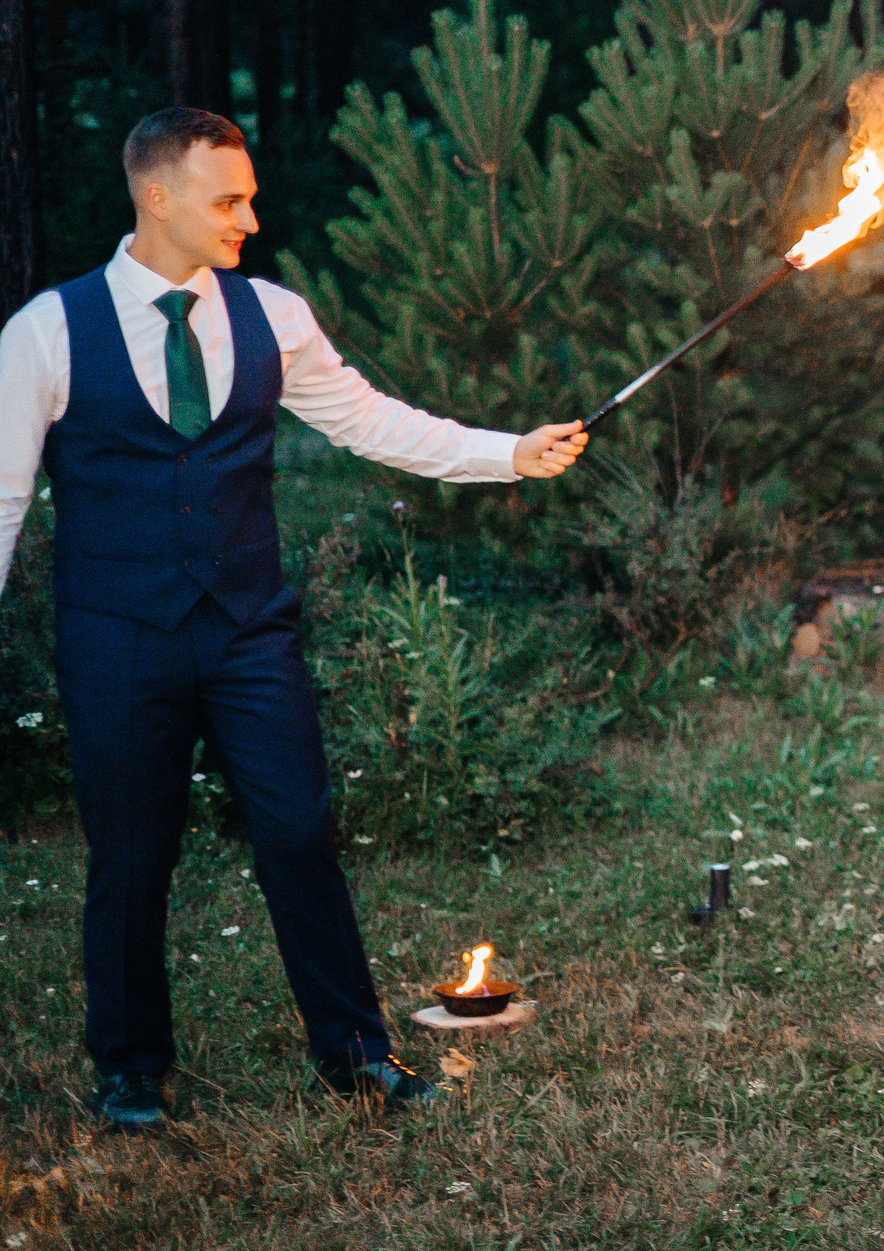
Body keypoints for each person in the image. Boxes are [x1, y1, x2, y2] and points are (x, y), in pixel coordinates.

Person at [0, 109, 590, 1131]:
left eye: (251, 196)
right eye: (228, 199)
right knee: (132, 854)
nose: (251, 218)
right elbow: (3, 497)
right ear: (157, 196)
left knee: (299, 831)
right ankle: (132, 1072)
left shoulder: (273, 313)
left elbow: (368, 419)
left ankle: (357, 1056)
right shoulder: (48, 331)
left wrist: (509, 451)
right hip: (115, 632)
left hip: (246, 630)